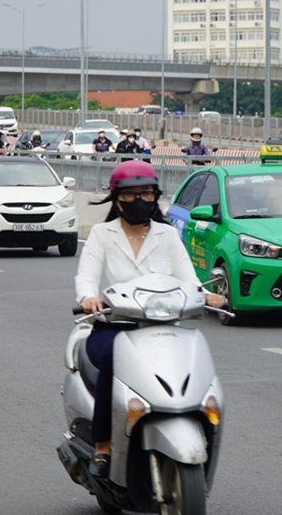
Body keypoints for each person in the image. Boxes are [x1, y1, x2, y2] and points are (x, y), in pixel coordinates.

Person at [75, 160, 225, 477]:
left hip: (163, 328)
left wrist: (206, 295)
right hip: (113, 328)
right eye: (130, 195)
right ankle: (103, 444)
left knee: (194, 352)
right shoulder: (102, 235)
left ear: (155, 196)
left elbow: (188, 278)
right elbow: (87, 276)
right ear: (116, 198)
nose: (138, 201)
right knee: (115, 358)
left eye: (145, 193)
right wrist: (88, 298)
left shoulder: (168, 235)